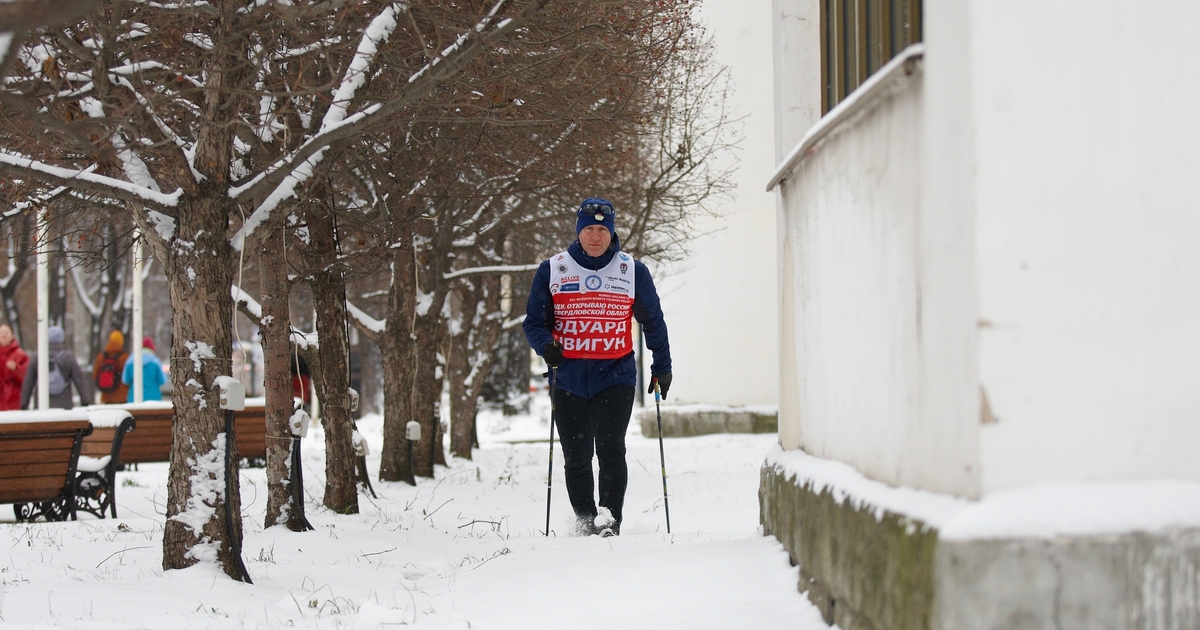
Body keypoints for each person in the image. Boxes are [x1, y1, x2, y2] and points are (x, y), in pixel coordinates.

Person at [523, 197, 672, 537]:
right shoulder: (554, 269)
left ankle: (609, 521)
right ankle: (586, 520)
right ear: (578, 232)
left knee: (610, 448)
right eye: (589, 229)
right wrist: (546, 346)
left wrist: (662, 365)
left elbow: (654, 322)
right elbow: (533, 323)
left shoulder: (632, 271)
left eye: (602, 230)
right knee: (576, 456)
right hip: (568, 377)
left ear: (612, 232)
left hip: (615, 376)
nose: (595, 236)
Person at [20, 325, 92, 409]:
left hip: (41, 405)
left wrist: (24, 403)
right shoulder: (68, 357)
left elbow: (28, 382)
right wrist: (85, 400)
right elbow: (79, 380)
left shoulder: (37, 357)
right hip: (64, 404)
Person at [122, 336, 166, 402]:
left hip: (134, 397)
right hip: (153, 397)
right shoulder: (155, 362)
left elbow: (125, 380)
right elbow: (162, 380)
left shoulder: (130, 361)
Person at [93, 330, 130, 404]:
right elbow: (128, 377)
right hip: (121, 397)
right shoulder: (124, 357)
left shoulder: (101, 356)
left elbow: (95, 375)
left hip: (106, 396)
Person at [0, 324, 29, 411]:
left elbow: (28, 379)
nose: (3, 335)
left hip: (15, 402)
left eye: (6, 332)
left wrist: (16, 370)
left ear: (12, 336)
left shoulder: (20, 355)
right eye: (1, 332)